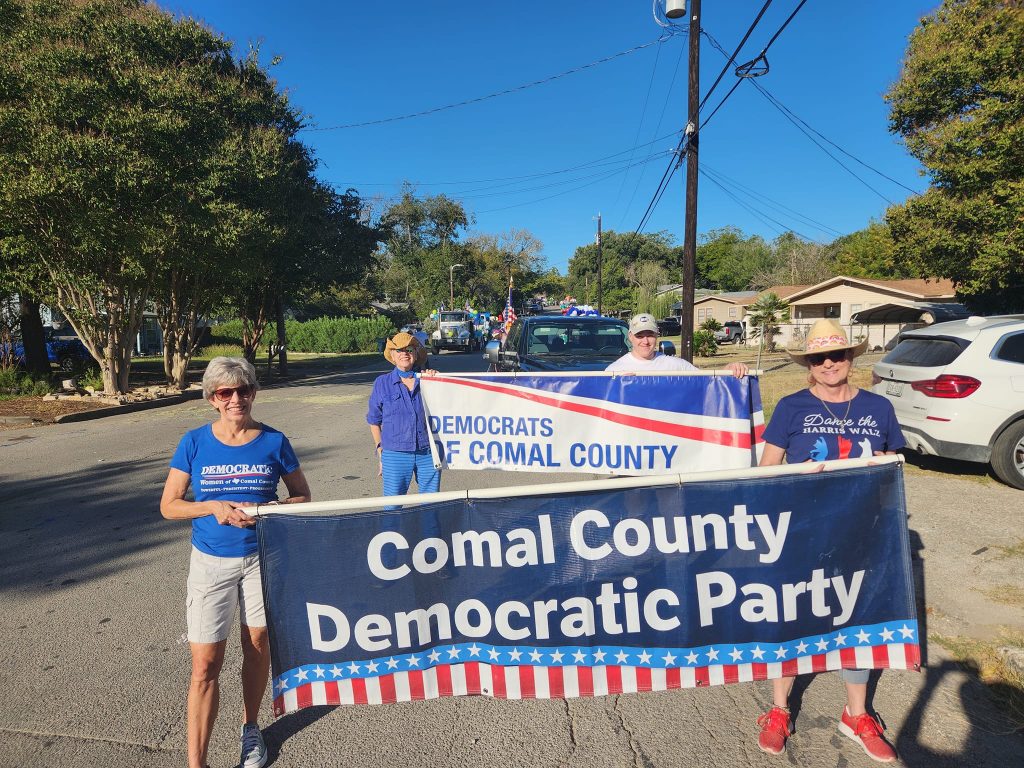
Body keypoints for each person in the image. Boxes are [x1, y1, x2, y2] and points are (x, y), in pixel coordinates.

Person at [755, 319, 904, 762]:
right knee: (791, 615)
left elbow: (893, 467)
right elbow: (766, 470)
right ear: (809, 364)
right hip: (800, 531)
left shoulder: (879, 409)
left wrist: (885, 464)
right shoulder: (791, 407)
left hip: (860, 533)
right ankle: (779, 709)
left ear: (851, 359)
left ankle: (856, 714)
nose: (829, 364)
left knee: (857, 616)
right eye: (819, 358)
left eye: (837, 356)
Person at [160, 357, 311, 768]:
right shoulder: (193, 442)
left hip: (263, 560)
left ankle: (250, 727)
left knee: (257, 644)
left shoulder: (274, 441)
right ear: (212, 399)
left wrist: (272, 508)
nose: (235, 399)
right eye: (225, 392)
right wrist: (211, 507)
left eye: (243, 390)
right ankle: (198, 762)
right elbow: (169, 506)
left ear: (254, 393)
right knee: (206, 663)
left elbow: (302, 495)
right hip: (211, 563)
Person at [367, 331, 440, 497]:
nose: (404, 354)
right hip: (395, 454)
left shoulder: (429, 381)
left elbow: (450, 409)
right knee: (392, 507)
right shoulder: (382, 383)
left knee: (431, 506)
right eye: (399, 350)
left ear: (415, 354)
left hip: (428, 453)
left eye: (409, 349)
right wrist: (380, 451)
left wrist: (437, 381)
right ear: (393, 355)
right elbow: (374, 420)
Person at [606, 313, 749, 377]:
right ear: (630, 337)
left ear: (657, 335)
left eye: (650, 335)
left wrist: (729, 370)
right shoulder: (614, 371)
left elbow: (708, 384)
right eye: (639, 335)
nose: (645, 341)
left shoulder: (676, 366)